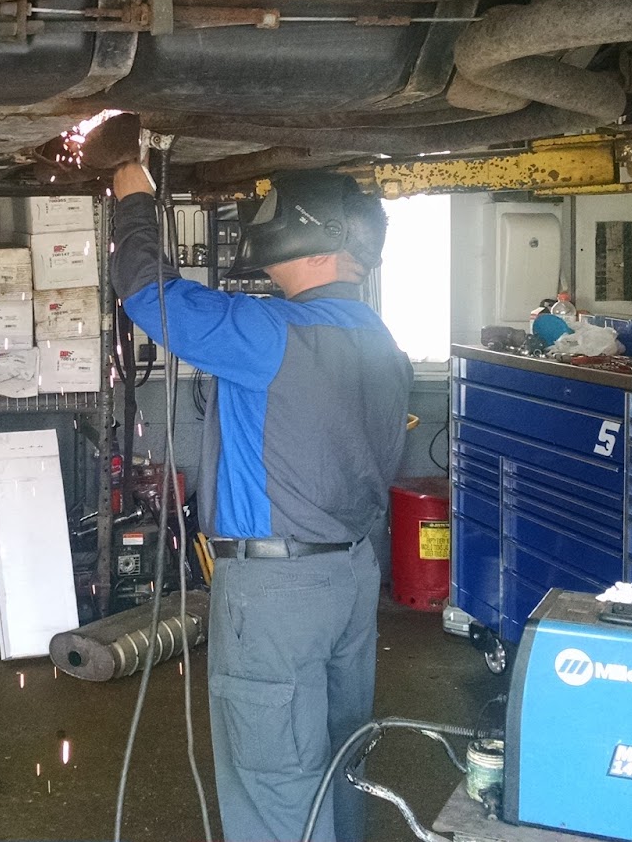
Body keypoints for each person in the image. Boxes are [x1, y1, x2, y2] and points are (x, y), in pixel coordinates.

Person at [109, 162, 414, 842]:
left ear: (319, 239)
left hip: (277, 592)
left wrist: (133, 200)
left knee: (274, 772)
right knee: (339, 757)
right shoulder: (380, 340)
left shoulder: (273, 332)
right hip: (351, 574)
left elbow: (148, 295)